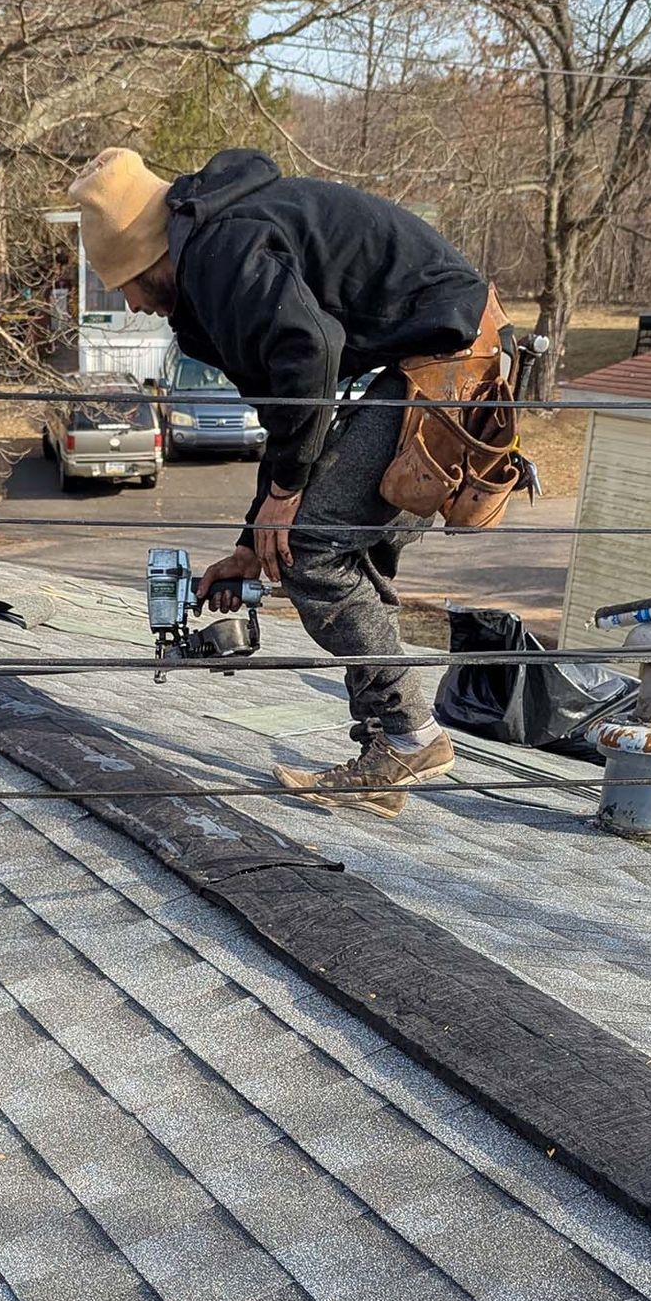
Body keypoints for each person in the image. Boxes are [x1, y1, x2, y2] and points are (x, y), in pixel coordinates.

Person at [71, 145, 495, 818]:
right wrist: (251, 539)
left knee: (315, 549)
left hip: (452, 361)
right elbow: (289, 412)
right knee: (324, 544)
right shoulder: (217, 252)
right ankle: (388, 750)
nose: (129, 302)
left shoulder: (221, 252)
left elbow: (313, 351)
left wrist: (285, 497)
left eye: (123, 280)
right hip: (438, 355)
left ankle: (410, 738)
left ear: (147, 255)